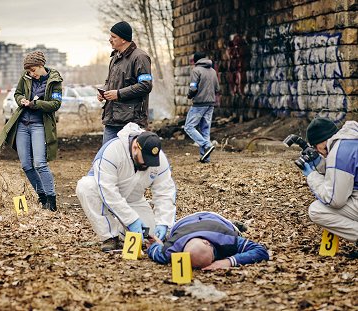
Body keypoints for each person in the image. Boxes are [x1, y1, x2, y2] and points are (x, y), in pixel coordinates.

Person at [76, 122, 176, 252]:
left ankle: (122, 228)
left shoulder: (158, 158)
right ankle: (110, 236)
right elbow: (108, 192)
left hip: (134, 200)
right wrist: (132, 220)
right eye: (144, 159)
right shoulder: (112, 151)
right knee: (85, 186)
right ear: (135, 147)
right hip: (102, 195)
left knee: (150, 236)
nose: (147, 164)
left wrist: (164, 222)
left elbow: (165, 191)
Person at [0, 51, 62, 211]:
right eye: (28, 71)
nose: (31, 74)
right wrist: (21, 100)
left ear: (41, 66)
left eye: (33, 70)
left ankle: (52, 202)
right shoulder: (26, 77)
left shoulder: (55, 81)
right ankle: (42, 197)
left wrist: (36, 104)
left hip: (40, 125)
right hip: (22, 125)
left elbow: (56, 104)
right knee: (26, 165)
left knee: (40, 163)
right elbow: (17, 93)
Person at [146, 211, 269, 269]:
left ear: (207, 242)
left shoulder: (227, 238)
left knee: (236, 231)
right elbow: (156, 250)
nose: (214, 260)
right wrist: (156, 244)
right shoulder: (172, 249)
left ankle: (234, 224)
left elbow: (260, 251)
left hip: (217, 220)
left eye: (213, 256)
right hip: (183, 223)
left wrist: (227, 261)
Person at [302, 118, 358, 243]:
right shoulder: (351, 139)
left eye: (316, 148)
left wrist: (312, 176)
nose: (318, 152)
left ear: (321, 142)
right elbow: (344, 174)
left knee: (317, 210)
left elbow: (334, 200)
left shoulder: (338, 152)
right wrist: (321, 164)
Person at [98, 21, 153, 145]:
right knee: (107, 157)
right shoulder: (114, 59)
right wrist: (104, 91)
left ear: (123, 39)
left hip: (132, 121)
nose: (110, 40)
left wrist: (119, 94)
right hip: (111, 119)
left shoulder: (140, 57)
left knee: (131, 158)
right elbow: (109, 82)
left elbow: (146, 85)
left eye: (113, 37)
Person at [184, 52, 220, 163]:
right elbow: (217, 88)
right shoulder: (213, 71)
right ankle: (205, 158)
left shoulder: (196, 70)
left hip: (199, 104)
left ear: (196, 60)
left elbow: (193, 88)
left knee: (189, 127)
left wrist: (190, 95)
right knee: (205, 130)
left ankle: (207, 145)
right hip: (210, 104)